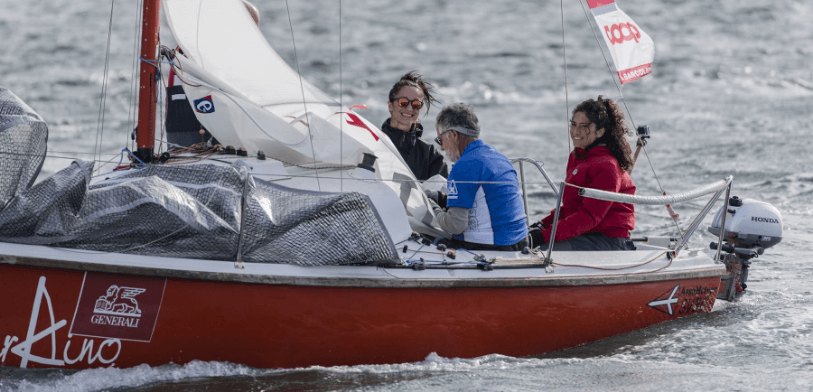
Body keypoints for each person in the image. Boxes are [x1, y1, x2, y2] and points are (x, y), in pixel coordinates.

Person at [530, 96, 636, 251]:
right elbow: (571, 208)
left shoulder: (607, 166)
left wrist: (544, 236)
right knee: (530, 246)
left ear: (600, 132)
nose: (575, 131)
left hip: (609, 242)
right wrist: (541, 226)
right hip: (584, 234)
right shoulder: (577, 156)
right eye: (573, 125)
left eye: (583, 126)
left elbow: (589, 216)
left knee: (540, 250)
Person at [427, 103, 528, 251]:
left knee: (422, 238)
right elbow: (482, 199)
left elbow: (455, 226)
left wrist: (432, 205)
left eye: (440, 140)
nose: (441, 148)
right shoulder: (499, 157)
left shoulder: (463, 166)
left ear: (453, 135)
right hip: (521, 242)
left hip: (493, 248)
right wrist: (442, 198)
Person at [381, 72, 448, 181]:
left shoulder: (430, 155)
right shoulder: (373, 142)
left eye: (416, 104)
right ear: (390, 105)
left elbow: (441, 192)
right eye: (403, 102)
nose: (410, 108)